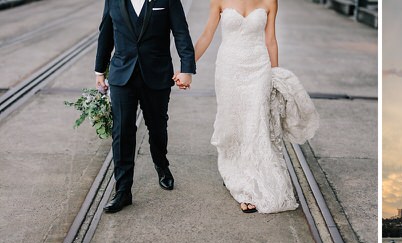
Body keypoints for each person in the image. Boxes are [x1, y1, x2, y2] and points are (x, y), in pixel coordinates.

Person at [191, 0, 317, 213]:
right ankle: (234, 172)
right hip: (228, 70)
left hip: (259, 69)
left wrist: (275, 76)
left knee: (255, 125)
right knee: (232, 123)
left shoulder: (270, 1)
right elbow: (206, 35)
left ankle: (249, 187)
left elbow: (271, 40)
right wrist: (187, 66)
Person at [94, 0, 195, 213]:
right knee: (122, 131)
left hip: (156, 74)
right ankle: (123, 190)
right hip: (122, 75)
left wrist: (187, 68)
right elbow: (106, 33)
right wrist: (99, 71)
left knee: (157, 127)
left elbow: (181, 32)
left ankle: (161, 164)